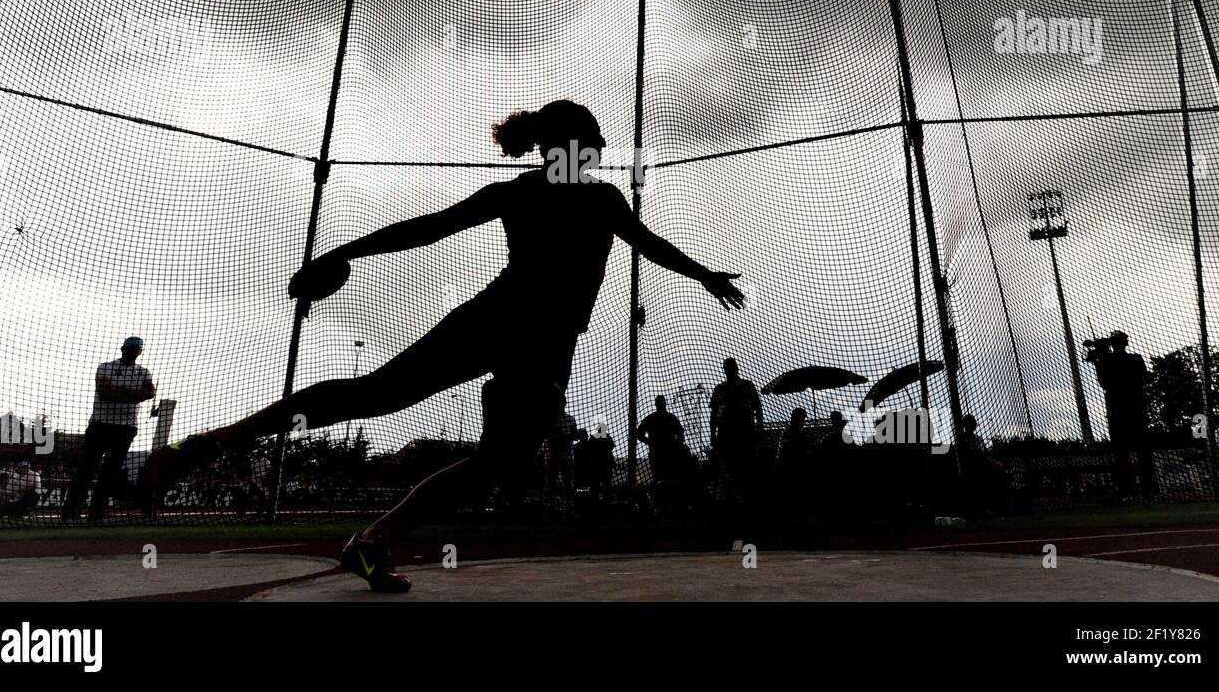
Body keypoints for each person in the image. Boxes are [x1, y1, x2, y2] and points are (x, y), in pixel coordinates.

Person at [144, 100, 745, 591]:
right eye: (592, 141)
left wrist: (705, 276)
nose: (602, 151)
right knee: (377, 398)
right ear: (565, 145)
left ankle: (371, 543)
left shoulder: (584, 197)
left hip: (541, 343)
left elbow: (647, 243)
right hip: (504, 323)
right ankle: (216, 442)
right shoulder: (553, 195)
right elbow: (426, 228)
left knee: (491, 456)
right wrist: (344, 251)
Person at [63, 336, 155, 523]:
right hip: (101, 424)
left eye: (137, 349)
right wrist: (134, 396)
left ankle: (96, 515)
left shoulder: (144, 372)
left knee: (109, 473)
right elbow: (105, 392)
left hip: (126, 427)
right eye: (130, 348)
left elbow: (149, 393)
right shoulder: (105, 367)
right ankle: (70, 513)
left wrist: (121, 392)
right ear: (123, 349)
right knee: (86, 470)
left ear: (140, 352)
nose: (133, 351)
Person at [1092, 330, 1154, 498]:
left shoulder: (1108, 361)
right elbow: (1143, 379)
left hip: (1119, 412)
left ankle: (1128, 490)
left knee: (1122, 453)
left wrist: (1100, 358)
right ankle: (1146, 489)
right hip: (1134, 410)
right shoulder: (1134, 359)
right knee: (1140, 452)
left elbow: (1103, 383)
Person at [710, 357, 763, 500]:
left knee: (740, 464)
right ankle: (740, 496)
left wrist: (759, 428)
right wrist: (759, 428)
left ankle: (742, 496)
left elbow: (714, 413)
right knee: (737, 465)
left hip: (738, 432)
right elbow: (714, 413)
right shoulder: (744, 386)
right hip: (736, 432)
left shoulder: (723, 388)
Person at [635, 395, 686, 484]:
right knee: (671, 480)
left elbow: (639, 434)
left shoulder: (651, 418)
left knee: (659, 480)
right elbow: (681, 433)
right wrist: (676, 444)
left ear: (656, 404)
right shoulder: (671, 418)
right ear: (665, 404)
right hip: (670, 453)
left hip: (657, 453)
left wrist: (650, 442)